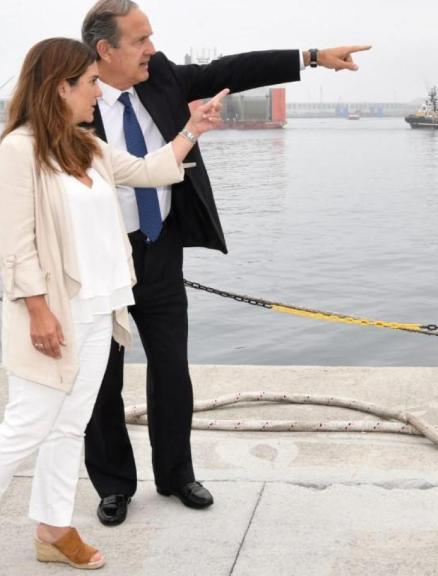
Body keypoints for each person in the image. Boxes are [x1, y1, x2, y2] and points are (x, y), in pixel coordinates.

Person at [0, 37, 227, 576]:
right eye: (90, 82)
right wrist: (39, 311)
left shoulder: (85, 144)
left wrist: (192, 130)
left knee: (69, 426)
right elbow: (15, 246)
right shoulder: (20, 150)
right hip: (56, 314)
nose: (98, 91)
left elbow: (146, 170)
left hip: (103, 307)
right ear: (59, 86)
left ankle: (52, 526)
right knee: (25, 425)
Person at [80, 0, 371, 526]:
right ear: (105, 50)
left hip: (159, 246)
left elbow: (229, 70)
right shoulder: (71, 98)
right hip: (99, 257)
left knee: (172, 371)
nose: (153, 48)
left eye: (152, 37)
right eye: (141, 40)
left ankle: (175, 476)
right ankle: (114, 486)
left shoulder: (162, 76)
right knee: (103, 377)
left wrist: (310, 56)